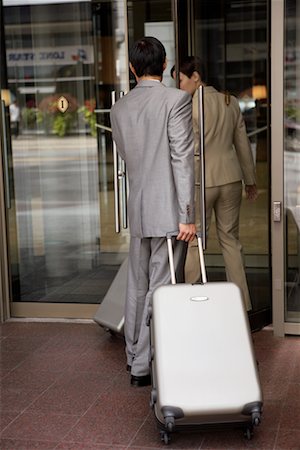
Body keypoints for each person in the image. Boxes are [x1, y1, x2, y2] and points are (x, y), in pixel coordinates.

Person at [110, 37, 196, 387]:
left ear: (132, 68)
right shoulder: (176, 100)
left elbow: (131, 158)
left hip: (140, 209)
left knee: (136, 286)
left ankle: (134, 359)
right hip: (169, 214)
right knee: (160, 289)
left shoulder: (120, 108)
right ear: (164, 65)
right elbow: (181, 159)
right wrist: (187, 214)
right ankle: (146, 365)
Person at [173, 56, 257, 312]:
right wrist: (250, 180)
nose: (179, 86)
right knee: (230, 239)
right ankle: (242, 303)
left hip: (201, 181)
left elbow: (183, 148)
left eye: (181, 80)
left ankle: (191, 301)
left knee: (194, 238)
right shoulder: (229, 101)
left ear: (195, 77)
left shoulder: (188, 106)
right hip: (231, 178)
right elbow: (242, 144)